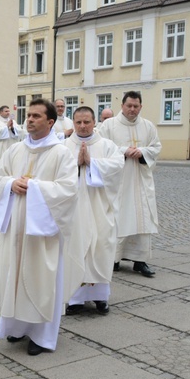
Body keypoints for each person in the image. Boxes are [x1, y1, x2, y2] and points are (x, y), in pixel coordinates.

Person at [0, 99, 79, 356]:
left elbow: (69, 190)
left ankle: (41, 336)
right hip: (16, 228)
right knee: (12, 275)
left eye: (36, 116)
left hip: (42, 234)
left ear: (51, 122)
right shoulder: (16, 150)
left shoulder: (61, 153)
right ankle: (16, 327)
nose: (29, 119)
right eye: (28, 115)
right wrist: (9, 185)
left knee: (41, 279)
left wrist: (35, 187)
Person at [63, 106, 124, 316]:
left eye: (86, 122)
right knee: (75, 248)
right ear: (73, 123)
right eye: (78, 122)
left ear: (94, 122)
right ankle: (74, 298)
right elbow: (55, 173)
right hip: (73, 209)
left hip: (100, 206)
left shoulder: (107, 146)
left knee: (101, 247)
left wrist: (92, 163)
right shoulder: (63, 147)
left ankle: (100, 297)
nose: (82, 126)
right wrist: (75, 164)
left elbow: (117, 167)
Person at [100, 91, 161, 278]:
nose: (132, 109)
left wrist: (142, 152)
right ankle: (114, 259)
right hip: (119, 180)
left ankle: (139, 260)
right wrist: (124, 150)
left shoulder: (148, 126)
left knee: (141, 216)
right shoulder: (109, 125)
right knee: (118, 216)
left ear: (140, 106)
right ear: (122, 106)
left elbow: (156, 147)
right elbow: (101, 146)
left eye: (136, 106)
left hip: (140, 179)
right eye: (129, 106)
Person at [0, 105, 21, 176]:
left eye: (8, 111)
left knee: (12, 164)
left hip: (11, 146)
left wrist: (12, 128)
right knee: (1, 164)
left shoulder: (13, 122)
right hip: (1, 148)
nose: (8, 113)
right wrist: (6, 126)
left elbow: (19, 131)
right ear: (1, 112)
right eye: (6, 111)